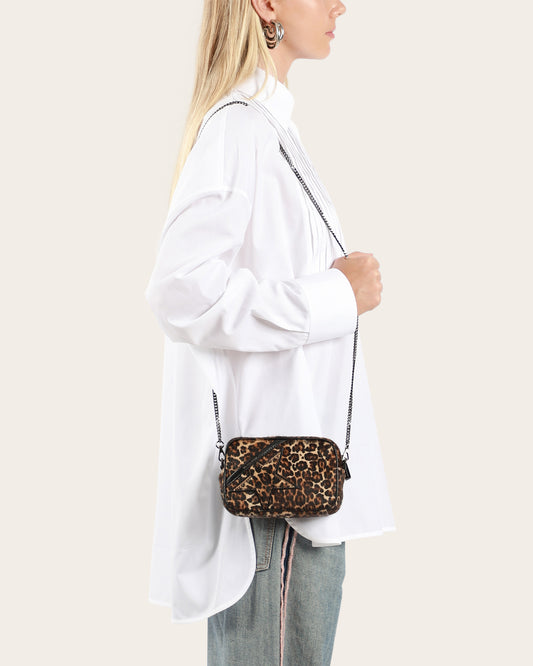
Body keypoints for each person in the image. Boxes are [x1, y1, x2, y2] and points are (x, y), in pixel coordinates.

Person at [144, 1, 396, 663]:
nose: (340, 4)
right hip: (275, 502)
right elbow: (180, 289)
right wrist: (334, 295)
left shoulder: (268, 127)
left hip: (298, 491)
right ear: (266, 4)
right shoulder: (240, 129)